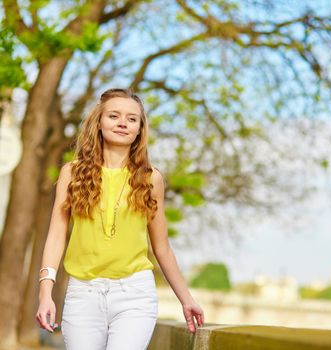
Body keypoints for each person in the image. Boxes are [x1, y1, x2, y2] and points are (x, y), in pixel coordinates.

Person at [35, 88, 205, 350]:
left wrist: (186, 299)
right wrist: (45, 292)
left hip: (135, 294)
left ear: (139, 129)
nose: (123, 123)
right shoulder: (72, 174)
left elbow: (162, 247)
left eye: (132, 119)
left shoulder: (151, 179)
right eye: (114, 116)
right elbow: (56, 236)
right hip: (83, 294)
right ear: (99, 123)